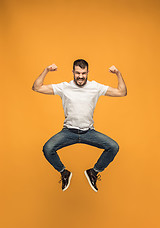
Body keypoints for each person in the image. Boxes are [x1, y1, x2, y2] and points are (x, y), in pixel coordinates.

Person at [32, 59, 127, 192]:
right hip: (68, 133)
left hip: (89, 133)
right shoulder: (64, 87)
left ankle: (94, 172)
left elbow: (121, 92)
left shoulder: (95, 87)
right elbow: (36, 87)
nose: (80, 76)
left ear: (88, 72)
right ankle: (64, 173)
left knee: (113, 147)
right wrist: (46, 70)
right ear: (73, 72)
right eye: (77, 73)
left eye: (83, 73)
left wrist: (118, 73)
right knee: (48, 148)